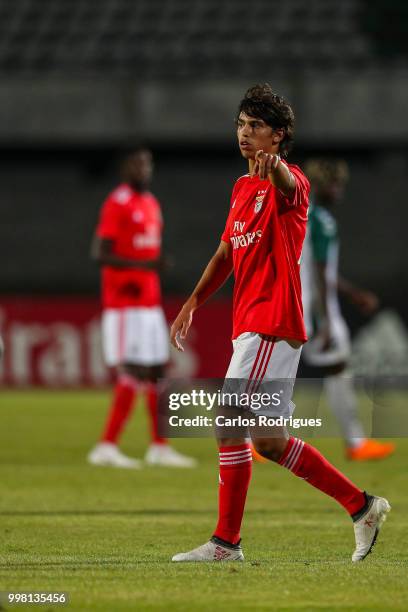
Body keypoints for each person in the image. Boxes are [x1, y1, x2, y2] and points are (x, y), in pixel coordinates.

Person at [169, 84, 390, 562]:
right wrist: (192, 301)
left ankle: (226, 543)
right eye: (241, 125)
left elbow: (291, 186)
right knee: (268, 440)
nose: (245, 134)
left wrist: (282, 171)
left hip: (271, 321)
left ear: (279, 135)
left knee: (227, 419)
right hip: (252, 324)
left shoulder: (292, 183)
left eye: (256, 127)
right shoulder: (241, 187)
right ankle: (363, 507)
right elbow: (227, 252)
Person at [88, 147, 196, 468]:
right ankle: (105, 446)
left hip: (149, 301)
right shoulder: (117, 203)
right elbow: (100, 253)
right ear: (125, 169)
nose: (143, 169)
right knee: (133, 369)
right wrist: (145, 265)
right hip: (124, 302)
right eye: (136, 164)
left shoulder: (151, 204)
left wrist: (150, 267)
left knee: (157, 371)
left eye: (147, 163)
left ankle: (159, 447)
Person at [301, 159, 395, 460]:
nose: (339, 190)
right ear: (320, 186)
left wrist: (353, 294)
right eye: (335, 183)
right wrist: (326, 320)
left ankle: (355, 442)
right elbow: (318, 272)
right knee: (331, 368)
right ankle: (355, 443)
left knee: (300, 371)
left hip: (305, 305)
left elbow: (324, 271)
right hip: (315, 309)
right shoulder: (321, 221)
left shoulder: (308, 217)